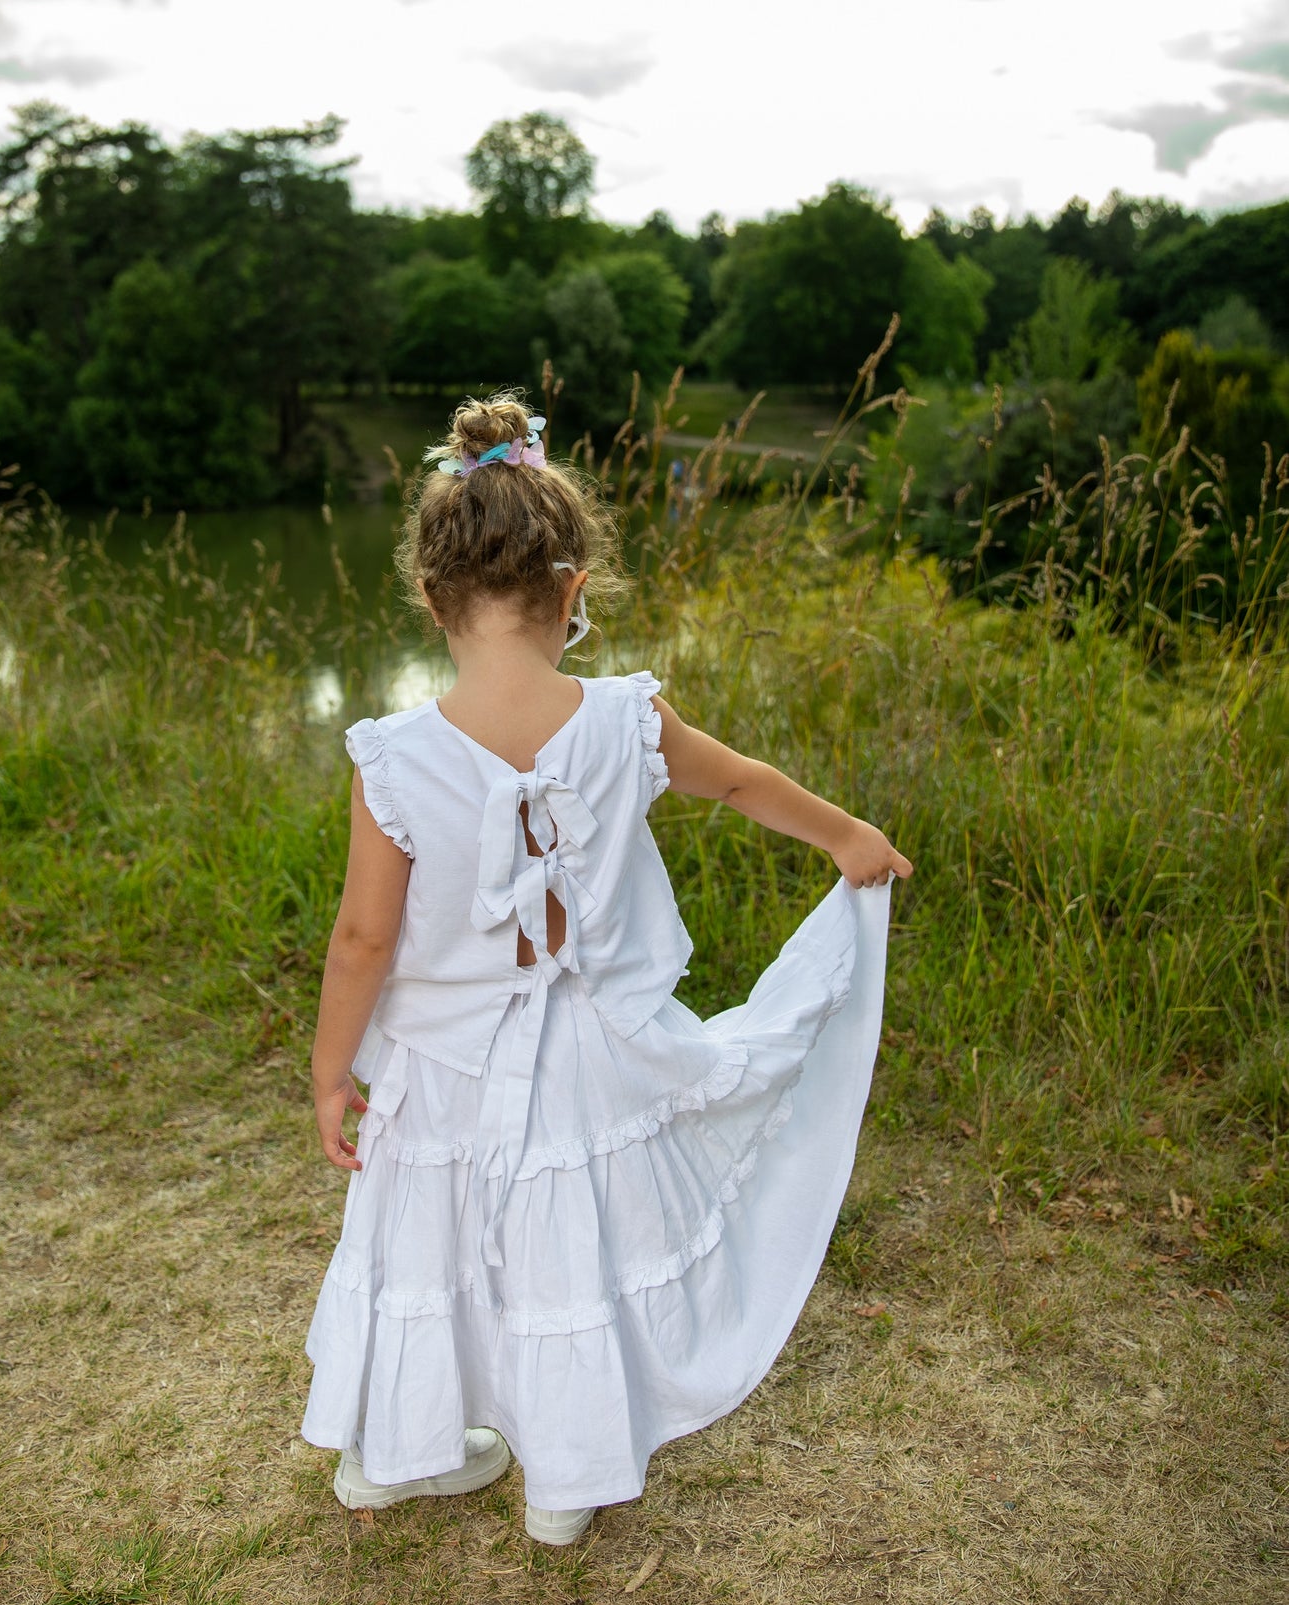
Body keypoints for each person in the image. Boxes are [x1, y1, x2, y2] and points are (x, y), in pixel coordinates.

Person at [301, 393, 911, 1545]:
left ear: (431, 597)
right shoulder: (628, 718)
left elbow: (363, 940)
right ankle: (569, 1484)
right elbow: (740, 782)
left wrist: (334, 1071)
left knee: (423, 1243)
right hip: (594, 1050)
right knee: (568, 1244)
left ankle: (389, 1457)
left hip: (443, 1066)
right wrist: (847, 838)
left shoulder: (393, 757)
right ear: (574, 590)